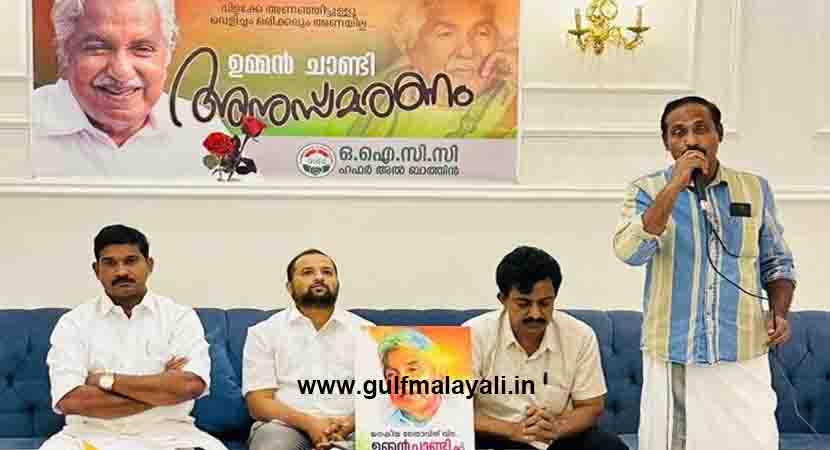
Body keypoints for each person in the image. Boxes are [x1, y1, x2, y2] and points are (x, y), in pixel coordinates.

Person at [613, 96, 797, 450]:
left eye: (701, 129)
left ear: (719, 134)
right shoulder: (646, 190)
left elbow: (778, 263)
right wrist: (674, 187)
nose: (690, 140)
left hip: (742, 351)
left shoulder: (754, 189)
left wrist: (779, 312)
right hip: (675, 353)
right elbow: (630, 252)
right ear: (667, 143)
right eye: (678, 132)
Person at [40, 224, 226, 450]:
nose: (121, 272)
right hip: (90, 435)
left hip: (170, 434)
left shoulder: (179, 317)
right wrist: (163, 391)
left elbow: (189, 386)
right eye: (110, 263)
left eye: (131, 261)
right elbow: (71, 400)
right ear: (97, 270)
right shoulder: (74, 323)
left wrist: (105, 380)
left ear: (149, 265)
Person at [31, 0, 228, 177]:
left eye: (142, 49)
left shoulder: (201, 130)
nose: (121, 72)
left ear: (167, 54)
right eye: (98, 47)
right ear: (64, 54)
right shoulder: (24, 126)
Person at [465, 246, 627, 450]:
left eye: (544, 303)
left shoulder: (580, 335)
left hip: (555, 436)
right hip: (497, 436)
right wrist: (513, 430)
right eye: (523, 304)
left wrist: (556, 427)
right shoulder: (472, 334)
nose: (535, 314)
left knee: (608, 446)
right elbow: (451, 412)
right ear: (503, 300)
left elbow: (591, 406)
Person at [243, 249, 373, 450]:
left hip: (353, 428)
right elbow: (258, 403)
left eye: (327, 272)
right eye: (307, 272)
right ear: (289, 287)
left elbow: (381, 399)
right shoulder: (264, 332)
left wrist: (348, 424)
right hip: (285, 427)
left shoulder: (368, 332)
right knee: (272, 445)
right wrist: (309, 423)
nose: (319, 277)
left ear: (337, 283)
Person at [344, 0, 518, 139]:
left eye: (482, 33)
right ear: (407, 43)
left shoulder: (515, 102)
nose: (467, 52)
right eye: (445, 34)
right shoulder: (377, 96)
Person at [377, 328, 462, 428]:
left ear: (439, 375)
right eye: (391, 374)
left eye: (413, 369)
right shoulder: (377, 421)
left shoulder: (461, 416)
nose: (402, 382)